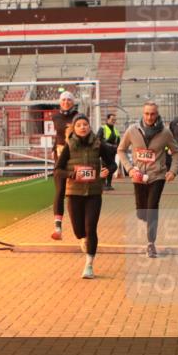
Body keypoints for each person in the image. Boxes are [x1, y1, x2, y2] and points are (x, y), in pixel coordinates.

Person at [53, 113, 117, 278]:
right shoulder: (69, 145)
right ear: (74, 128)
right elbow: (58, 170)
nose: (83, 127)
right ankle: (82, 240)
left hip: (94, 192)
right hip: (74, 193)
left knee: (91, 228)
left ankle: (89, 265)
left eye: (85, 124)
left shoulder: (98, 144)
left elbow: (112, 163)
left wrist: (107, 170)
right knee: (79, 231)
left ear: (89, 127)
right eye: (79, 125)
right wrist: (71, 174)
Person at [118, 101, 178, 258]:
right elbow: (121, 150)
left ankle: (151, 243)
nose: (150, 117)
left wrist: (172, 171)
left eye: (153, 114)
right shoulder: (132, 130)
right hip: (138, 176)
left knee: (152, 207)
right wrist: (130, 169)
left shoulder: (165, 132)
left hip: (157, 175)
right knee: (141, 212)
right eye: (147, 113)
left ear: (157, 114)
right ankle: (146, 220)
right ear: (142, 113)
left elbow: (176, 152)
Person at [50, 90, 78, 240]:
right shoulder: (55, 116)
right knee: (60, 190)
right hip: (60, 155)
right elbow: (60, 131)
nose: (66, 102)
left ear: (73, 102)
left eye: (69, 100)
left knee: (75, 191)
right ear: (60, 102)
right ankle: (58, 228)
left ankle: (79, 226)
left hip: (75, 156)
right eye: (63, 100)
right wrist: (55, 148)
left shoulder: (79, 116)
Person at [100, 113, 122, 190]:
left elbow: (119, 141)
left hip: (112, 152)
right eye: (112, 119)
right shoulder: (102, 128)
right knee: (107, 167)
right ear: (107, 119)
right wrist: (109, 146)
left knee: (111, 167)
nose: (113, 121)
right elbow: (99, 139)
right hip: (104, 152)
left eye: (114, 120)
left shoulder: (116, 130)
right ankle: (102, 184)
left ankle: (108, 184)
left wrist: (117, 148)